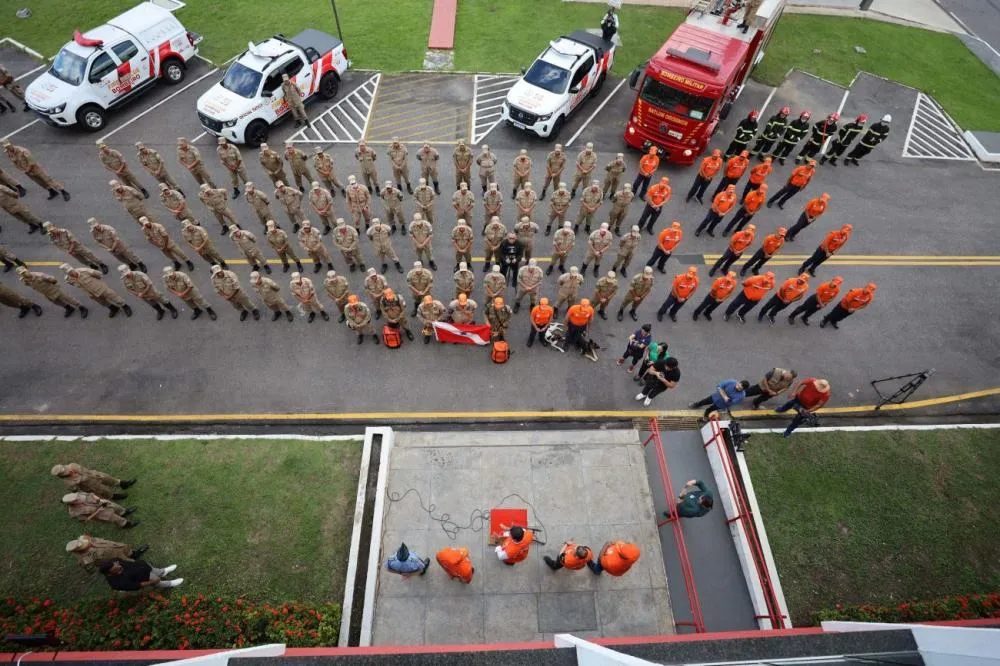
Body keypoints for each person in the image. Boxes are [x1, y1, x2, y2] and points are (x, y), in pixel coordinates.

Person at [1, 140, 71, 200]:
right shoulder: (8, 153)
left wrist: (28, 169)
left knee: (48, 179)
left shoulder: (22, 150)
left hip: (34, 168)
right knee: (39, 182)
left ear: (11, 143)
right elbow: (14, 162)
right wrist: (22, 170)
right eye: (5, 146)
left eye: (8, 145)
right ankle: (52, 191)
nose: (7, 147)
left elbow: (32, 162)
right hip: (26, 171)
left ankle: (63, 191)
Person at [61, 264, 132, 318]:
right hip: (92, 294)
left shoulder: (84, 271)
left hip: (101, 288)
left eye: (71, 271)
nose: (72, 273)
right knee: (103, 302)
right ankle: (113, 308)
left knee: (114, 297)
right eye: (69, 272)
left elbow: (99, 274)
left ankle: (125, 306)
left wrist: (100, 284)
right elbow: (74, 285)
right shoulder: (68, 279)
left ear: (73, 268)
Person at [16, 266, 85, 318]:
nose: (24, 274)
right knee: (57, 302)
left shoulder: (39, 275)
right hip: (46, 294)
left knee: (69, 298)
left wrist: (53, 283)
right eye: (22, 274)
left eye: (24, 272)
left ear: (27, 270)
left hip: (54, 289)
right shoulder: (26, 280)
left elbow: (52, 279)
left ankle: (81, 307)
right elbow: (29, 285)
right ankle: (69, 308)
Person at [42, 222, 108, 274]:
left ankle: (102, 265)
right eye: (50, 231)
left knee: (89, 255)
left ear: (55, 226)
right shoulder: (51, 237)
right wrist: (68, 252)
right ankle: (92, 266)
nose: (52, 232)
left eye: (53, 230)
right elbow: (58, 246)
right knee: (82, 260)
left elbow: (73, 241)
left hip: (77, 247)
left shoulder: (64, 232)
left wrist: (70, 250)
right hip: (70, 251)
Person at [67, 535, 148, 573]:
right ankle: (141, 567)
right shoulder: (84, 559)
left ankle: (135, 554)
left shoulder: (84, 539)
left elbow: (93, 538)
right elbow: (91, 568)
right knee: (127, 562)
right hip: (112, 558)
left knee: (126, 549)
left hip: (113, 546)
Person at [51, 463, 135, 499]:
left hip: (94, 475)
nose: (68, 470)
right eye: (66, 471)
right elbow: (75, 490)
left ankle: (123, 484)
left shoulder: (72, 465)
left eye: (66, 469)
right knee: (105, 491)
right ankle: (115, 496)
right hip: (91, 485)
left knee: (110, 479)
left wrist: (95, 474)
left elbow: (84, 469)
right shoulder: (68, 482)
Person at [62, 492, 138, 528]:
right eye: (76, 500)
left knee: (115, 506)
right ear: (71, 503)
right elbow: (85, 521)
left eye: (77, 498)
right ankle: (127, 524)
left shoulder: (77, 495)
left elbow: (89, 494)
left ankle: (124, 512)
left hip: (100, 502)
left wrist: (96, 497)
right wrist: (98, 512)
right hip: (100, 513)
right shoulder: (73, 512)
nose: (78, 498)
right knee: (115, 518)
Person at [97, 558, 182, 590]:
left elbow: (128, 561)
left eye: (116, 563)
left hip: (143, 568)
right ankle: (170, 584)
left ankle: (163, 572)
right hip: (143, 578)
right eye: (115, 566)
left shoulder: (115, 561)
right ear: (110, 571)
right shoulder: (117, 583)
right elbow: (136, 585)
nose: (117, 564)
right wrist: (151, 582)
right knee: (157, 582)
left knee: (155, 570)